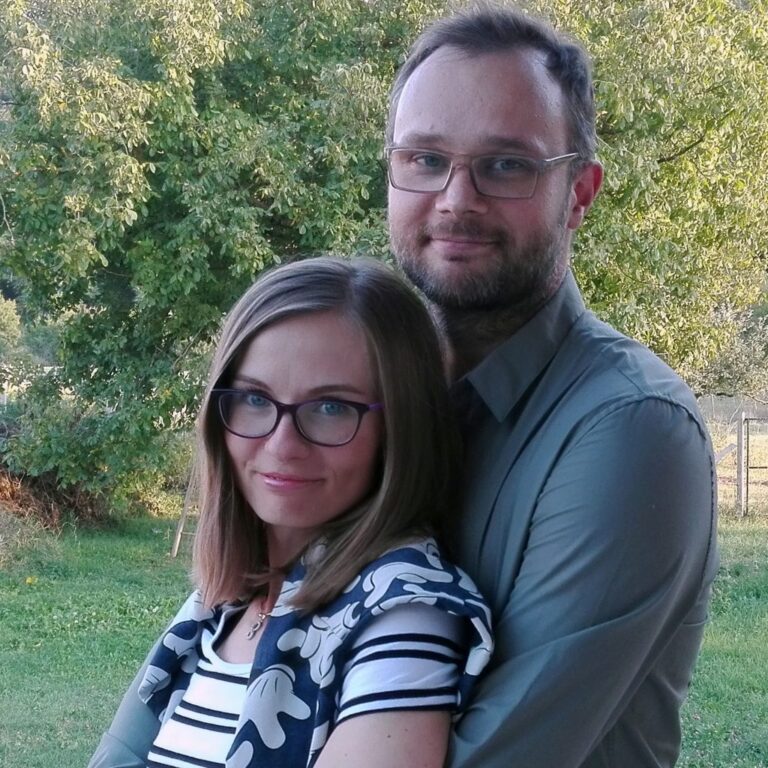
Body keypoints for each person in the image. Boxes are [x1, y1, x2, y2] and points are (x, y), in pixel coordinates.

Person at [385, 5, 718, 768]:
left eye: (507, 165)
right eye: (425, 158)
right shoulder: (357, 397)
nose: (456, 198)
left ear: (580, 193)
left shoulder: (632, 430)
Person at [88, 256, 493, 768]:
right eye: (255, 399)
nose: (282, 445)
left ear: (400, 428)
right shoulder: (220, 605)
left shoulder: (403, 615)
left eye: (331, 407)